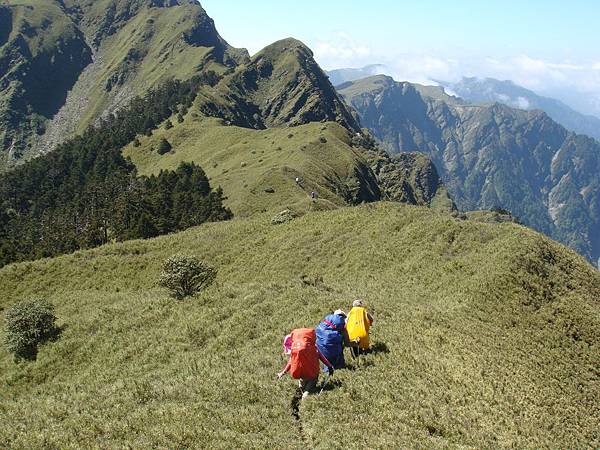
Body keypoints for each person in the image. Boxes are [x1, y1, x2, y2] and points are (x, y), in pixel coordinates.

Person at [277, 328, 334, 398]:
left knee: (302, 385)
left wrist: (282, 373)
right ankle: (305, 397)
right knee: (308, 389)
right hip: (312, 374)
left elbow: (290, 362)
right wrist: (330, 366)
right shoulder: (313, 347)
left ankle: (300, 395)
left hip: (300, 373)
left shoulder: (295, 348)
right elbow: (322, 358)